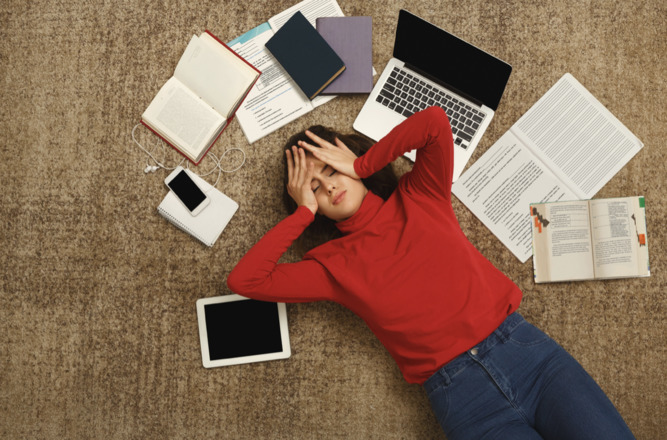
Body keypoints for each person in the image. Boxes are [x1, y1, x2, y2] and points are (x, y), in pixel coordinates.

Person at [227, 107, 635, 439]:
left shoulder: (419, 193)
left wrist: (362, 161)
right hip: (464, 399)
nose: (328, 186)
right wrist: (302, 213)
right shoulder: (329, 266)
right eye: (313, 186)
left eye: (331, 170)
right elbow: (246, 281)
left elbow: (435, 123)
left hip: (531, 360)